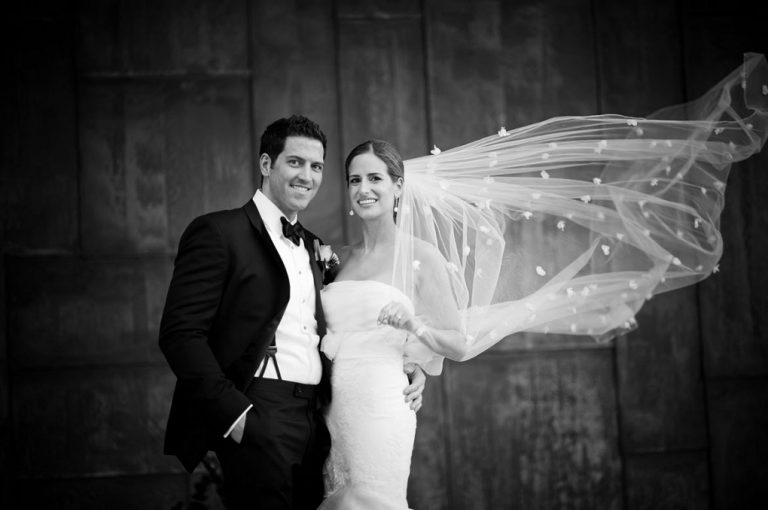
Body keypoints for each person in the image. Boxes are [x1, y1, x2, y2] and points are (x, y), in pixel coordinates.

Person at [317, 52, 768, 509]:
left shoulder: (421, 257)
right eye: (354, 180)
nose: (363, 189)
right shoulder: (338, 258)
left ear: (398, 186)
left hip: (381, 408)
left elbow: (457, 343)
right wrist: (411, 364)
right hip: (332, 410)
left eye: (375, 178)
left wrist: (414, 328)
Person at [158, 115, 425, 510]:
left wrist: (409, 362)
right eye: (295, 162)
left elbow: (350, 324)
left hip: (320, 419)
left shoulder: (317, 248)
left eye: (316, 166)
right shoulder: (218, 232)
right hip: (257, 411)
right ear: (267, 164)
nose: (307, 176)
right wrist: (235, 416)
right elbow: (180, 334)